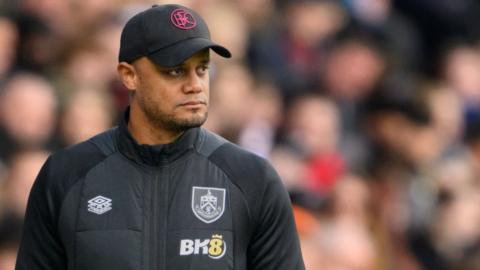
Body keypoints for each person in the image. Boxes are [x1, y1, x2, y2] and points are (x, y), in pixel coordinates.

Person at [15, 4, 305, 270]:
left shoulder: (252, 178)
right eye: (176, 71)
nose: (195, 86)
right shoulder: (65, 175)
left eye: (202, 69)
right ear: (129, 76)